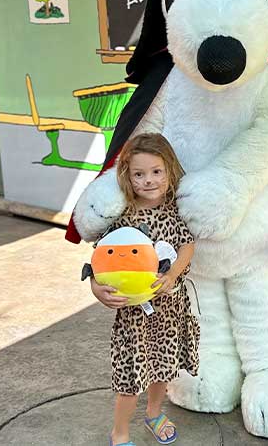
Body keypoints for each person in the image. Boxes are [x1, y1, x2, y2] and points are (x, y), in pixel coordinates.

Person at [89, 133, 199, 446]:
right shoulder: (123, 215)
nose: (148, 180)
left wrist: (173, 274)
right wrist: (97, 288)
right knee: (130, 378)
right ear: (127, 176)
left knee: (163, 368)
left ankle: (153, 414)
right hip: (134, 318)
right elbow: (101, 260)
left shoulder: (174, 209)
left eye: (156, 172)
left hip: (170, 310)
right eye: (139, 174)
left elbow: (187, 244)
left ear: (169, 170)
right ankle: (120, 432)